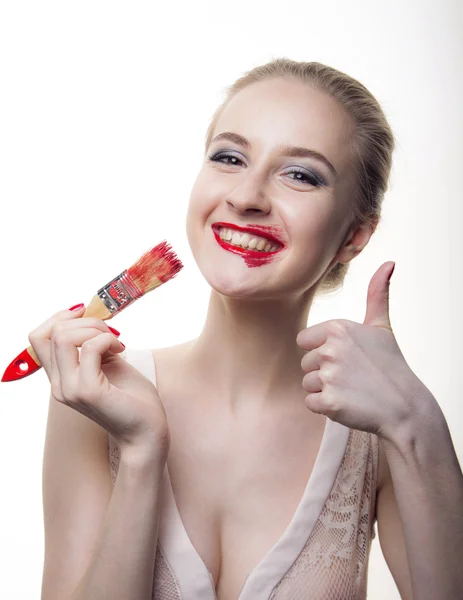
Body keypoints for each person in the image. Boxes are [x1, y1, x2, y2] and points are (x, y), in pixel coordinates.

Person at [37, 58, 414, 600]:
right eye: (230, 157)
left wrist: (415, 420)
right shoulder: (94, 398)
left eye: (300, 174)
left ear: (355, 236)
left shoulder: (379, 427)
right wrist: (142, 452)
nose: (246, 197)